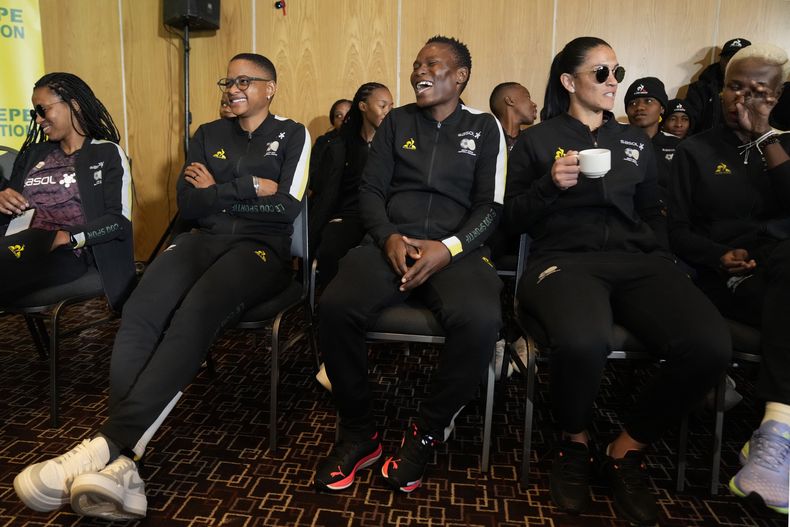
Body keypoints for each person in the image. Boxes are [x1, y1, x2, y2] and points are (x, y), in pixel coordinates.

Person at [13, 53, 310, 520]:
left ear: (270, 88)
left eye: (244, 80)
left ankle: (107, 446)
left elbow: (288, 209)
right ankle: (124, 468)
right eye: (227, 80)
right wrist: (250, 186)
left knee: (194, 312)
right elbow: (190, 206)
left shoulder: (292, 134)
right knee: (142, 308)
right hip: (201, 238)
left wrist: (221, 190)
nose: (232, 88)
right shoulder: (208, 134)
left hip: (260, 250)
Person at [504, 36, 731, 525]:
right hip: (563, 259)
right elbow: (511, 220)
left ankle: (626, 448)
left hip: (637, 260)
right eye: (601, 73)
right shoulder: (538, 140)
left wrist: (661, 257)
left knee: (711, 345)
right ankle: (574, 441)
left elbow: (653, 212)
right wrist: (549, 185)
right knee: (585, 340)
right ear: (569, 81)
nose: (613, 83)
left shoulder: (633, 142)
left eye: (617, 72)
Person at [314, 35, 506, 494]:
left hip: (455, 251)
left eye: (432, 64)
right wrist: (388, 237)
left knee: (481, 321)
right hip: (390, 244)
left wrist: (451, 247)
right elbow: (370, 193)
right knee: (335, 307)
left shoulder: (484, 127)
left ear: (459, 76)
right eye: (416, 63)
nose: (419, 70)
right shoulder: (397, 122)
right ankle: (360, 433)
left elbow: (491, 207)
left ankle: (426, 432)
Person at [668, 42, 790, 515]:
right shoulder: (694, 150)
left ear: (776, 98)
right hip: (728, 281)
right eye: (734, 88)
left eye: (758, 91)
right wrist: (719, 255)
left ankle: (775, 433)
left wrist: (767, 138)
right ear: (719, 92)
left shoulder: (784, 146)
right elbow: (676, 230)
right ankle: (775, 433)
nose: (743, 100)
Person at [0, 72, 134, 311]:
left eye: (43, 110)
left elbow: (118, 222)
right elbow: (9, 216)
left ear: (73, 105)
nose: (38, 120)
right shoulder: (33, 154)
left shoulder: (105, 154)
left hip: (68, 254)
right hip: (18, 243)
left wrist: (68, 237)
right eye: (35, 113)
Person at [309, 82, 393, 283]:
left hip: (383, 217)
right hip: (349, 217)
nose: (388, 112)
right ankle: (330, 301)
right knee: (331, 245)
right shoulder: (339, 146)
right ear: (363, 107)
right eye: (383, 106)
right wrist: (333, 216)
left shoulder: (393, 145)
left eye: (391, 106)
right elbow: (324, 190)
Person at [624, 77, 679, 202]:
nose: (639, 107)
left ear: (662, 108)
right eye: (632, 103)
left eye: (648, 101)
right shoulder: (616, 143)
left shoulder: (678, 146)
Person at [686, 37, 751, 134]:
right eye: (728, 58)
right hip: (708, 146)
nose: (731, 64)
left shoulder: (760, 90)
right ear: (720, 60)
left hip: (747, 146)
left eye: (738, 59)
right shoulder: (700, 89)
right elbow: (687, 124)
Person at [308, 98, 352, 196]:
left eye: (349, 114)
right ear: (333, 121)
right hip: (327, 198)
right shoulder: (323, 142)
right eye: (338, 115)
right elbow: (312, 178)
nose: (343, 119)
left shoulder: (367, 140)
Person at [489, 81, 538, 151]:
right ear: (510, 101)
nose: (534, 104)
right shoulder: (486, 139)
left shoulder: (531, 142)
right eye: (528, 97)